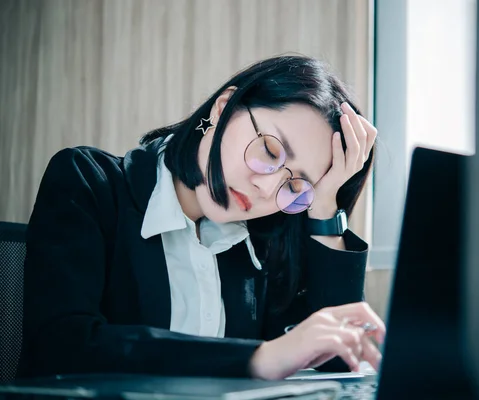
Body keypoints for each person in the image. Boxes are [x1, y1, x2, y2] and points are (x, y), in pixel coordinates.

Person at [17, 55, 385, 381]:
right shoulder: (90, 182)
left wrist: (324, 201)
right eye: (270, 149)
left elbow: (336, 359)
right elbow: (61, 347)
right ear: (224, 107)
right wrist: (258, 358)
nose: (267, 188)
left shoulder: (260, 242)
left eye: (295, 184)